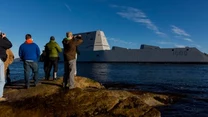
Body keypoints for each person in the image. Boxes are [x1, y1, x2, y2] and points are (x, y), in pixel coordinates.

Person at [0, 32, 12, 101]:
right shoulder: (1, 40)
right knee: (2, 80)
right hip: (0, 60)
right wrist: (4, 37)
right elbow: (9, 44)